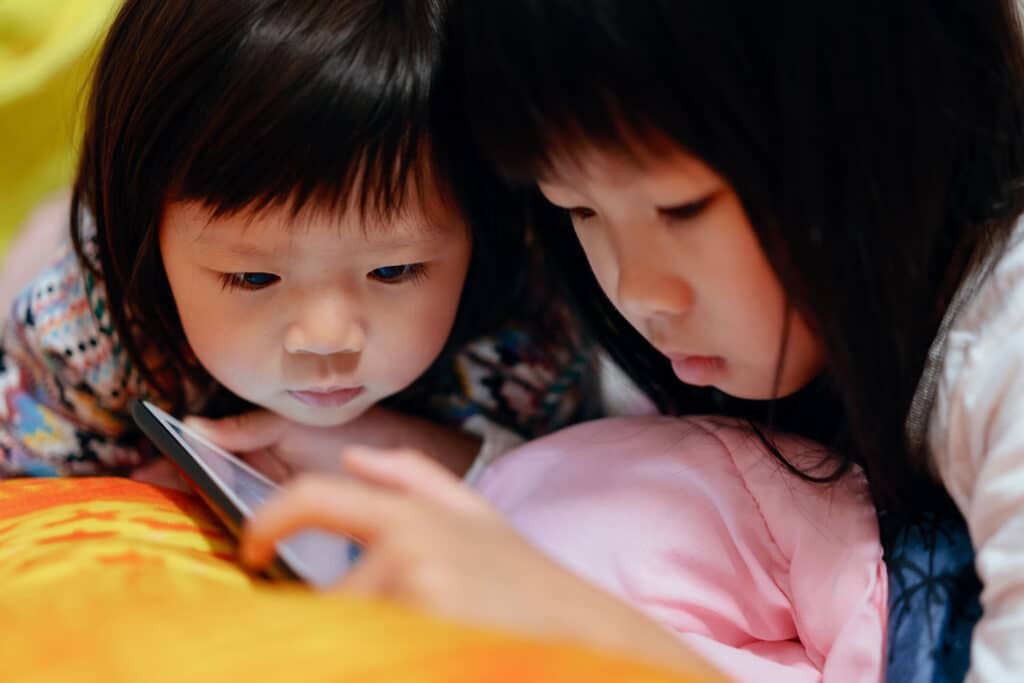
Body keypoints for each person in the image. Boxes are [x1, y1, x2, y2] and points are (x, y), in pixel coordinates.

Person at [237, 0, 1024, 679]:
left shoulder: (1006, 348)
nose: (637, 288)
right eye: (577, 210)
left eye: (682, 210)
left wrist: (590, 633)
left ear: (878, 114)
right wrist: (421, 465)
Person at [0, 0, 594, 482]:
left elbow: (559, 490)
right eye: (254, 278)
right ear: (147, 236)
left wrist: (426, 452)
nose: (327, 341)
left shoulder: (526, 332)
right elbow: (21, 464)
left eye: (393, 272)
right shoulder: (92, 326)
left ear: (483, 226)